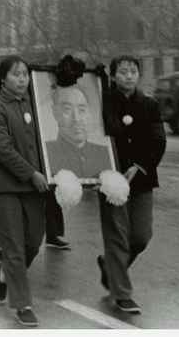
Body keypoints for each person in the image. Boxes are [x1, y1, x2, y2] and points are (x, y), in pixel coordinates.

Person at [0, 55, 49, 328]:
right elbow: (1, 148)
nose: (22, 79)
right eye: (16, 74)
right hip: (4, 186)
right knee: (14, 246)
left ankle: (6, 273)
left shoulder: (36, 106)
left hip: (33, 187)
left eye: (25, 74)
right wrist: (31, 173)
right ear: (3, 78)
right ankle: (23, 304)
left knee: (33, 241)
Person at [97, 56, 166, 315]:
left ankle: (110, 266)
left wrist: (139, 166)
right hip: (111, 178)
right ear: (113, 76)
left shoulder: (149, 105)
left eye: (133, 71)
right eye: (123, 72)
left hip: (141, 178)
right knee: (117, 236)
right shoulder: (103, 102)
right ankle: (122, 294)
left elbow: (158, 141)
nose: (128, 76)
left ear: (139, 75)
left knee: (140, 236)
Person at [45, 84, 114, 251]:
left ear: (90, 113)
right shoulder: (48, 151)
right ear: (55, 113)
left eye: (82, 109)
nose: (76, 118)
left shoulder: (104, 154)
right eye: (67, 109)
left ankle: (54, 233)